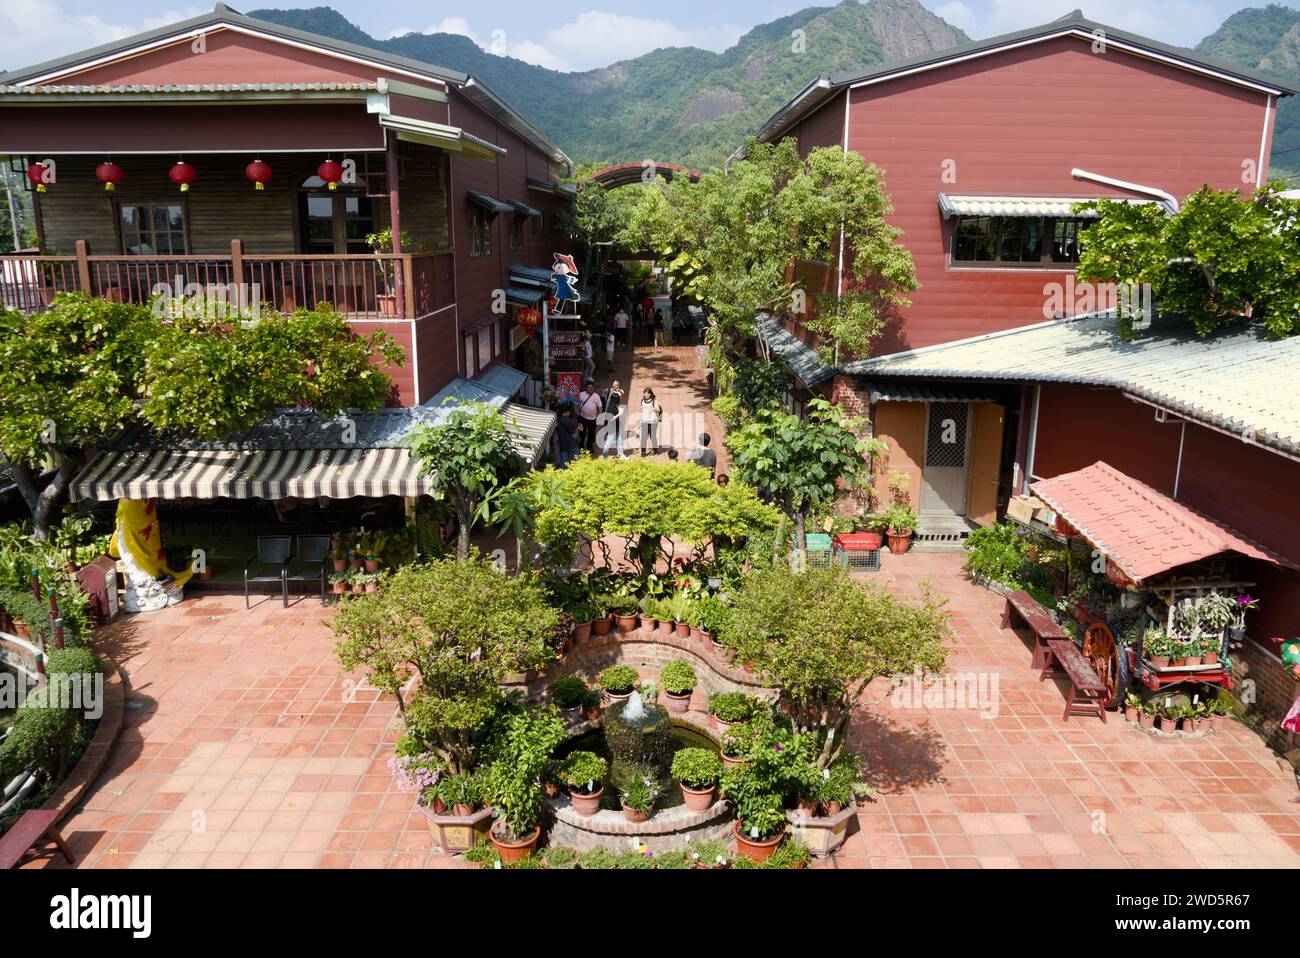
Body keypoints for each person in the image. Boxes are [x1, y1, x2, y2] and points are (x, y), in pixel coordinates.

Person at [601, 379, 629, 459]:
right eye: (615, 384)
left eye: (617, 384)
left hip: (616, 416)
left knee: (618, 437)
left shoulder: (618, 395)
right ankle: (605, 456)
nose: (616, 386)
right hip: (610, 416)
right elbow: (603, 392)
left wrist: (618, 390)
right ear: (612, 385)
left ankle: (621, 455)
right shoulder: (609, 392)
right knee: (610, 437)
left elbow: (622, 393)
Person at [578, 378, 602, 454]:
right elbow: (576, 404)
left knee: (591, 434)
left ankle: (589, 446)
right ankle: (581, 445)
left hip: (593, 419)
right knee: (582, 433)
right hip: (582, 418)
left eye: (592, 388)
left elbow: (600, 406)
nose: (591, 389)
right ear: (586, 388)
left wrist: (599, 414)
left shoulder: (596, 396)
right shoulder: (581, 394)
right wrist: (576, 412)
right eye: (589, 388)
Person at [555, 402, 581, 468]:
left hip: (563, 445)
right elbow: (578, 428)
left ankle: (561, 475)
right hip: (572, 444)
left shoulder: (558, 421)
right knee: (576, 464)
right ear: (567, 412)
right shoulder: (571, 421)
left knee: (563, 464)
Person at [639, 387, 662, 456]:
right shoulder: (642, 401)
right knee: (643, 437)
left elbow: (658, 410)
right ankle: (643, 452)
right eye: (645, 392)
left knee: (653, 437)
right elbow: (642, 409)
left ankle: (655, 450)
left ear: (650, 394)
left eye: (648, 393)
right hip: (644, 421)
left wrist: (653, 409)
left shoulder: (654, 401)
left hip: (653, 422)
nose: (646, 394)